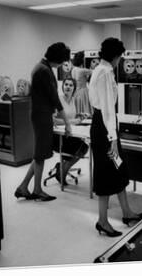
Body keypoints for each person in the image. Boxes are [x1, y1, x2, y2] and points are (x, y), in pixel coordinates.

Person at [88, 37, 142, 237]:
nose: (120, 60)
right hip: (105, 129)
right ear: (115, 55)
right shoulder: (104, 72)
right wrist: (112, 138)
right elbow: (107, 110)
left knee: (118, 167)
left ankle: (127, 212)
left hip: (104, 127)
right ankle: (102, 221)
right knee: (106, 171)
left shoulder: (100, 70)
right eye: (120, 56)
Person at [14, 42, 72, 202]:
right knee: (40, 155)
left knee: (39, 153)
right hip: (42, 116)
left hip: (40, 114)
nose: (62, 64)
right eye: (62, 60)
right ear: (58, 58)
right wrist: (67, 123)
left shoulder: (41, 67)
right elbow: (54, 99)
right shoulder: (44, 70)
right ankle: (37, 190)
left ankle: (23, 187)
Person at [52, 77, 89, 185]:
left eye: (71, 85)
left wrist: (79, 115)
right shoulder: (58, 100)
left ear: (74, 88)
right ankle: (62, 171)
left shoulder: (73, 100)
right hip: (59, 136)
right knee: (81, 147)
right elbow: (53, 120)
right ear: (62, 86)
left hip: (70, 134)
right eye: (66, 84)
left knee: (84, 146)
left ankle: (62, 168)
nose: (68, 87)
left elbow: (69, 115)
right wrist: (72, 121)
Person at [71, 51, 93, 116]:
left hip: (75, 92)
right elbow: (95, 72)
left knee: (78, 109)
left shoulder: (73, 69)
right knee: (85, 110)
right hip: (83, 92)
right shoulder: (83, 70)